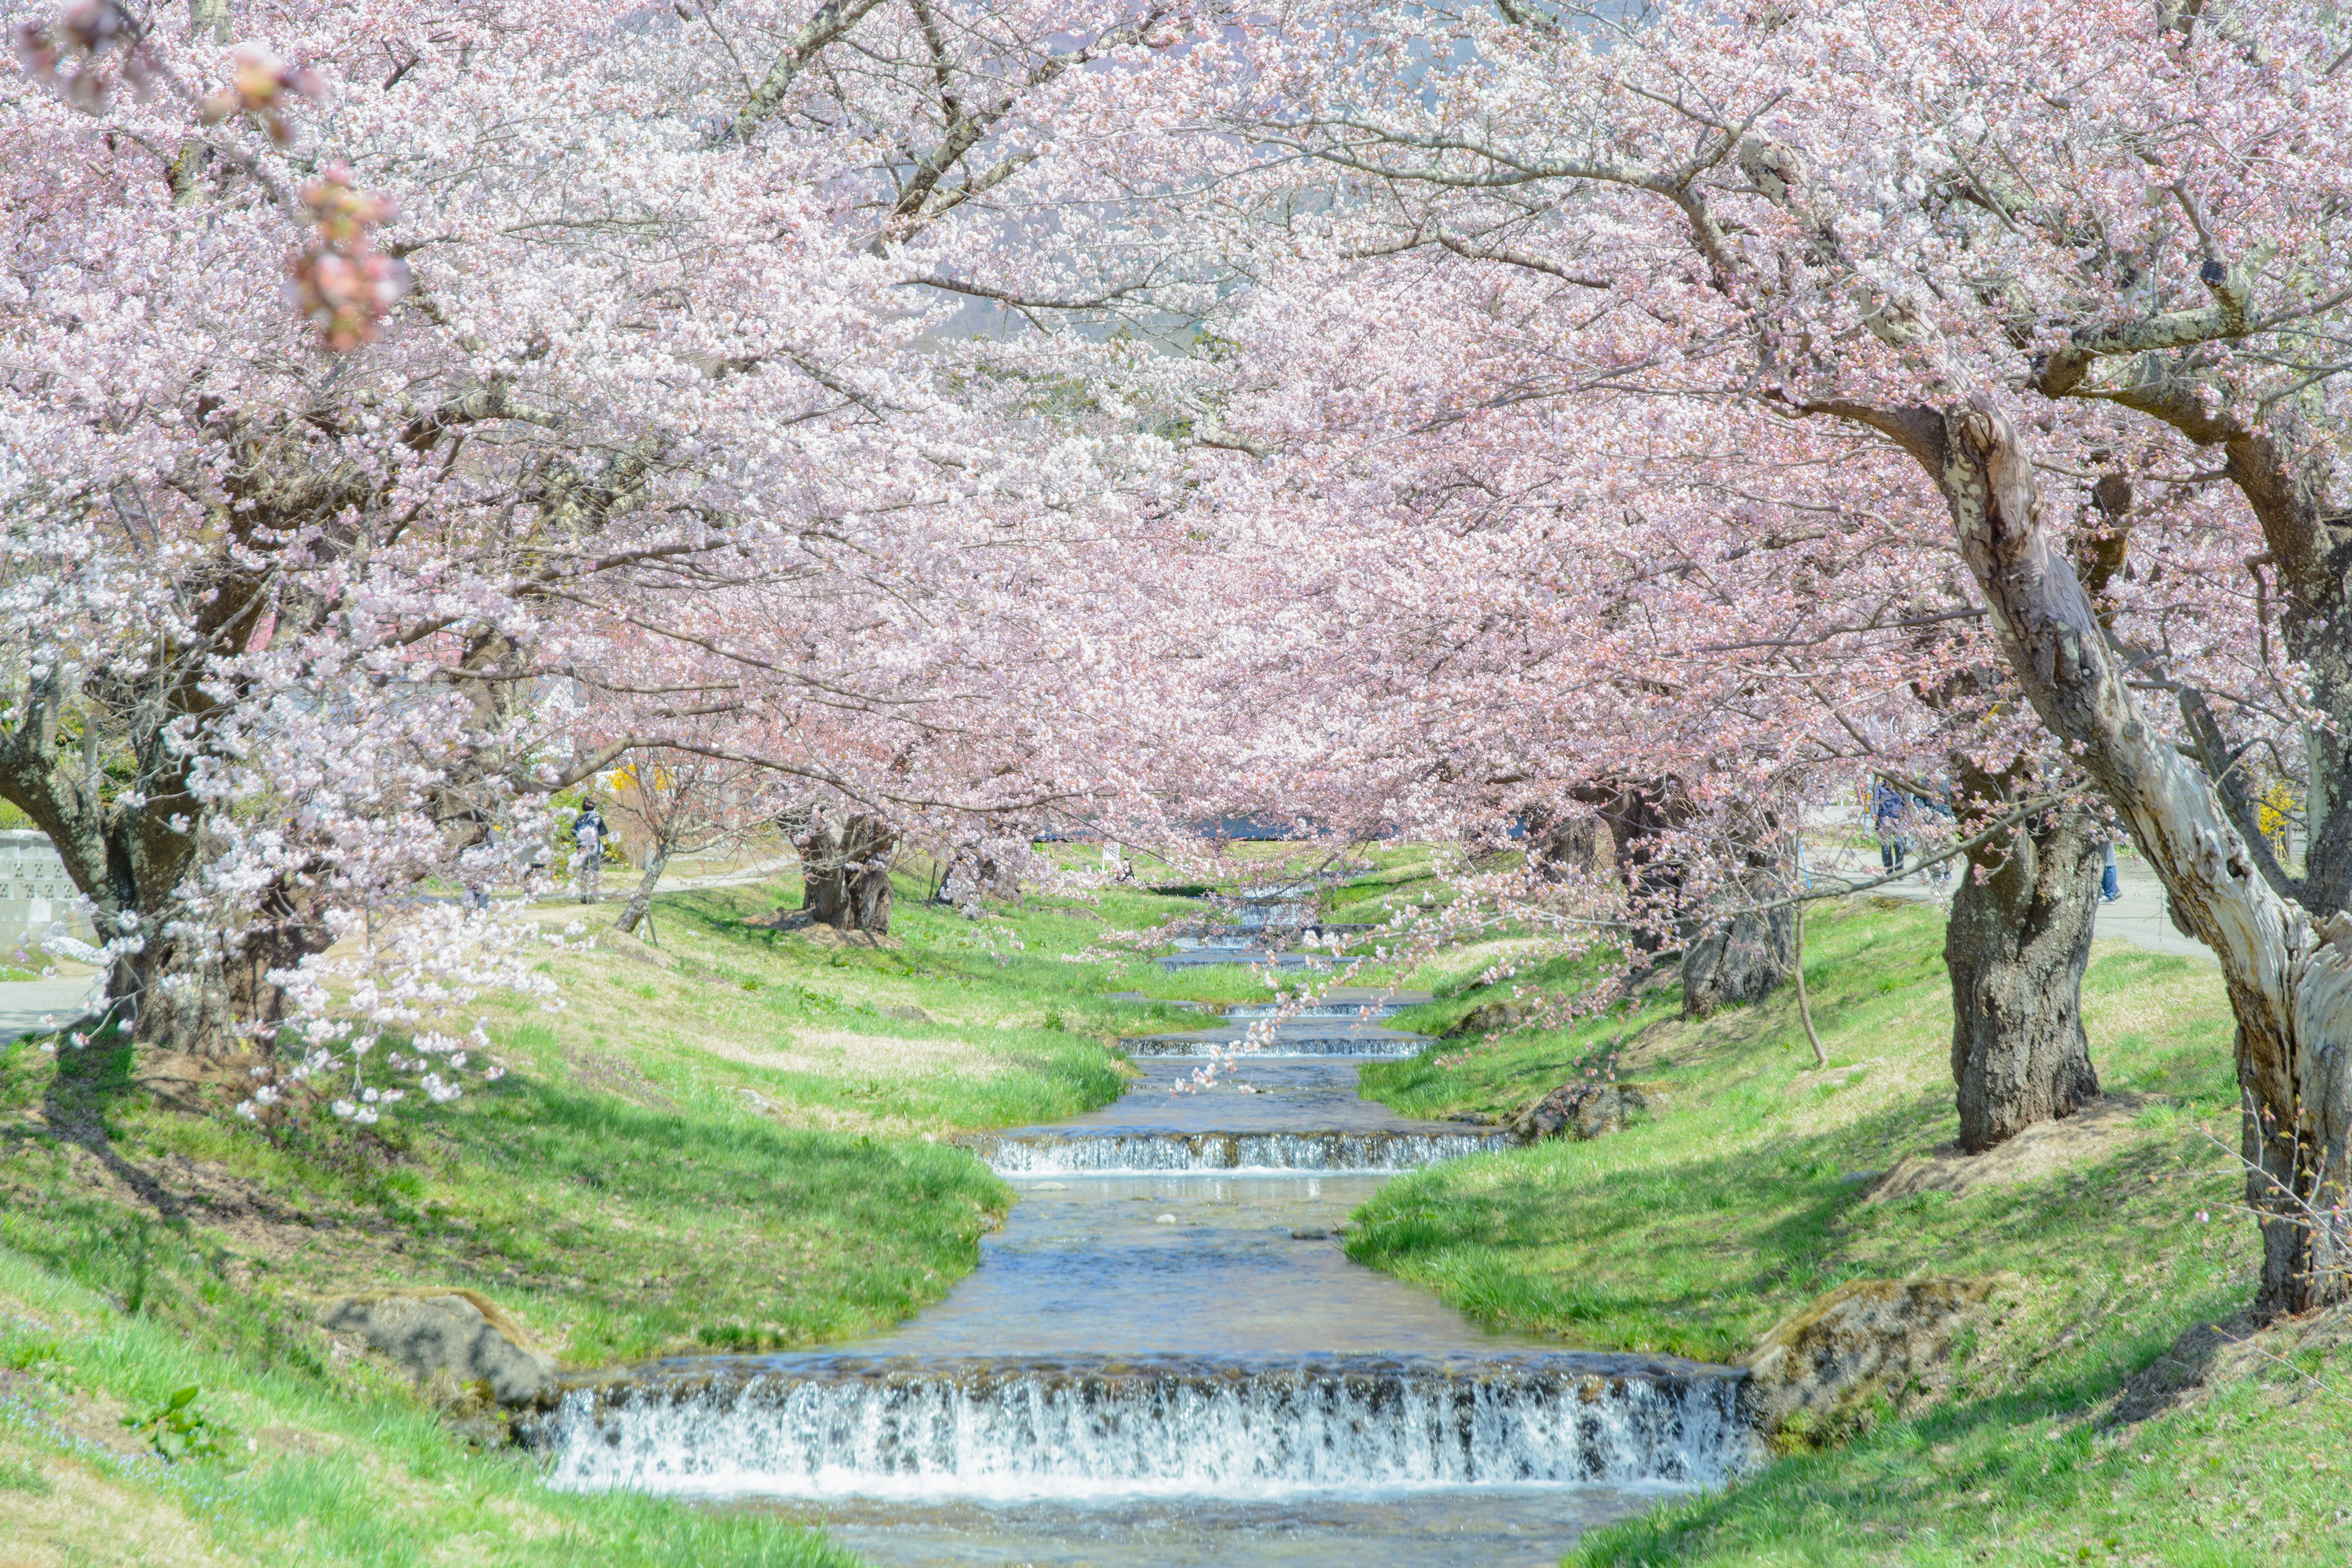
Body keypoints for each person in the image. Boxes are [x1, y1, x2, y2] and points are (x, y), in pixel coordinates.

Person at [1871, 777, 1910, 875]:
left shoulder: (1901, 787)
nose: (1890, 785)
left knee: (1899, 844)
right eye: (1889, 783)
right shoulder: (1880, 788)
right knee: (1886, 847)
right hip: (1884, 820)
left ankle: (1899, 870)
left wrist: (1906, 816)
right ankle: (1889, 871)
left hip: (1899, 820)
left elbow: (1906, 803)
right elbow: (1874, 801)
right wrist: (1874, 813)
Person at [573, 802, 608, 904]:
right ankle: (592, 897)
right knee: (594, 871)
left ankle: (583, 894)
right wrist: (595, 834)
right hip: (594, 847)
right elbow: (605, 831)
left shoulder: (580, 819)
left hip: (582, 847)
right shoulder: (597, 817)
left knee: (583, 871)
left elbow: (573, 831)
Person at [2101, 839, 2120, 903]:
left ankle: (2110, 896)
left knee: (2109, 863)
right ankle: (2114, 891)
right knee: (2106, 864)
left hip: (2107, 837)